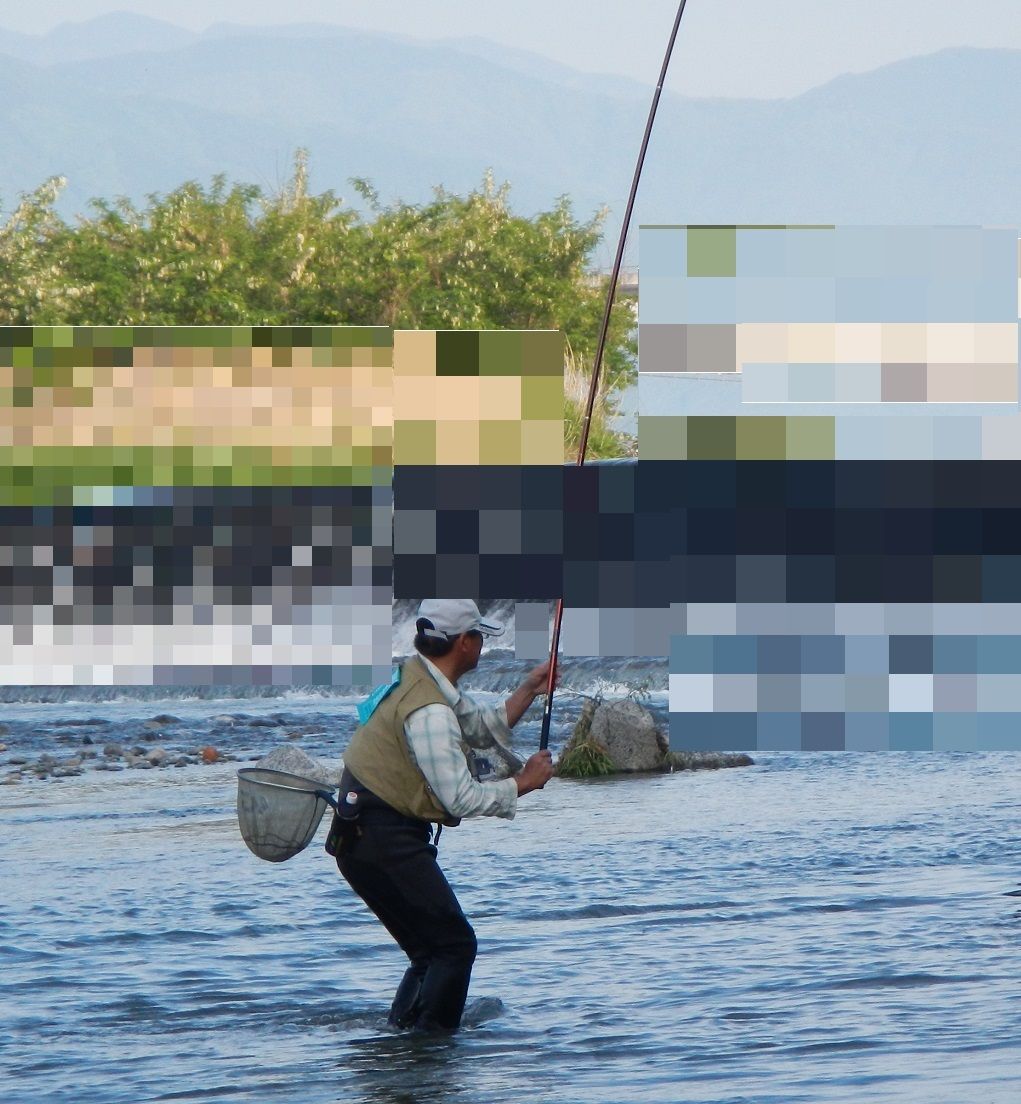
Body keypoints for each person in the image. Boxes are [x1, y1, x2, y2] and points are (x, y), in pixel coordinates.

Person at [334, 598, 556, 1032]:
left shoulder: (420, 678)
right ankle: (431, 1052)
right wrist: (524, 783)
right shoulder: (431, 711)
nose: (482, 645)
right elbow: (460, 798)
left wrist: (530, 688)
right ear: (464, 644)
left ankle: (406, 1039)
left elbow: (482, 726)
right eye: (479, 636)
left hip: (361, 837)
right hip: (382, 839)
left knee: (430, 951)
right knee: (454, 945)